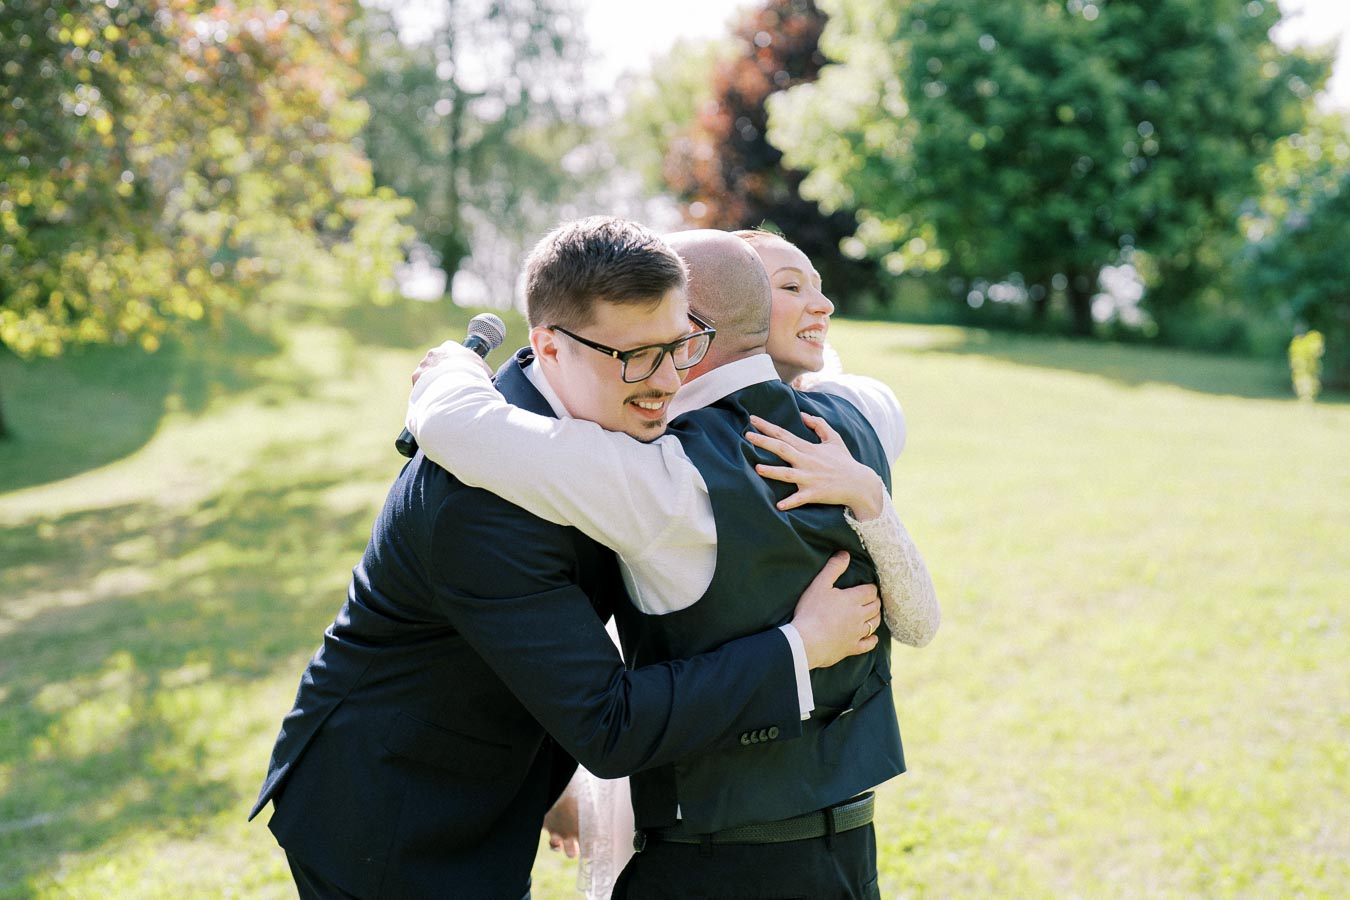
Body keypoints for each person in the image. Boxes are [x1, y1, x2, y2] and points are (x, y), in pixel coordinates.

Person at [250, 219, 885, 900]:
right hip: (392, 811)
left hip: (491, 776)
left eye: (680, 346)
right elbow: (609, 724)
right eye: (638, 356)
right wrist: (798, 647)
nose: (669, 381)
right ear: (550, 347)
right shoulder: (478, 499)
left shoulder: (607, 421)